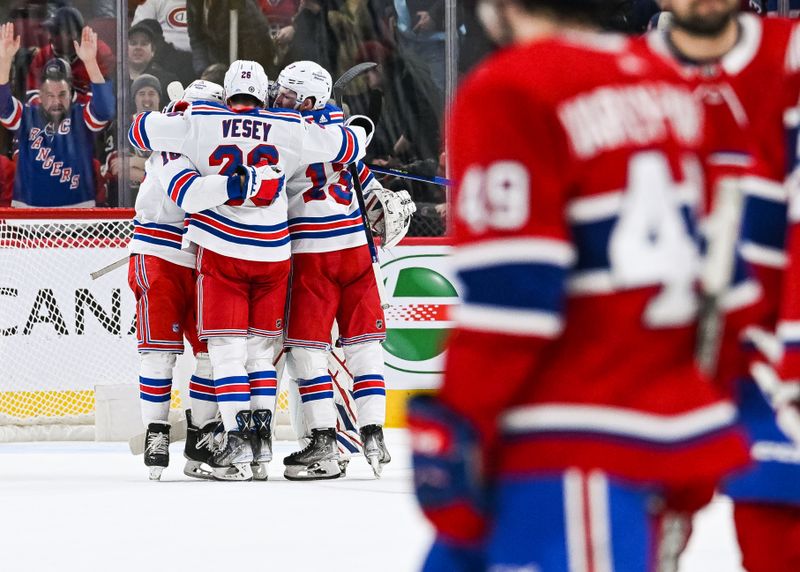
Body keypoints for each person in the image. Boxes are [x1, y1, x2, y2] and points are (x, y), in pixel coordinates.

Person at [406, 0, 751, 570]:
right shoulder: (670, 85)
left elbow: (513, 301)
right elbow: (719, 280)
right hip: (650, 433)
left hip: (562, 442)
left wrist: (458, 423)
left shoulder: (512, 88)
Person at [128, 59, 373, 481]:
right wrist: (355, 128)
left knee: (211, 352)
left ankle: (218, 438)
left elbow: (144, 140)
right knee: (259, 351)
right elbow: (350, 146)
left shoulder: (198, 124)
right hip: (276, 252)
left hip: (212, 250)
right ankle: (258, 447)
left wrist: (184, 126)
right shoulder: (288, 126)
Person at [647, 2, 800, 570]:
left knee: (778, 546)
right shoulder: (629, 74)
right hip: (664, 356)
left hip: (771, 352)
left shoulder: (791, 56)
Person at [274, 60, 415, 479]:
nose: (279, 99)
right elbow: (367, 186)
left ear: (310, 101)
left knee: (306, 349)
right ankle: (374, 432)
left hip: (312, 252)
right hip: (356, 250)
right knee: (364, 347)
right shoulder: (346, 136)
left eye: (288, 94)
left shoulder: (284, 133)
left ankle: (322, 440)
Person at [128, 79, 226, 480]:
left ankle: (200, 437)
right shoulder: (173, 140)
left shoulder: (200, 139)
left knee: (211, 350)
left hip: (203, 255)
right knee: (158, 350)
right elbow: (190, 195)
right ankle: (156, 431)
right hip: (159, 254)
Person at [0, 24, 114, 208]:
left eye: (62, 94)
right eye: (50, 95)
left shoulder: (81, 117)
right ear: (40, 94)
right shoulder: (26, 117)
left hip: (78, 218)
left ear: (71, 93)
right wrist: (4, 61)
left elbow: (105, 109)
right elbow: (2, 104)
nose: (56, 102)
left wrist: (91, 63)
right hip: (28, 219)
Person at [25, 7, 114, 104]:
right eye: (49, 31)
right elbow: (32, 95)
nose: (49, 37)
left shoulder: (99, 53)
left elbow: (105, 101)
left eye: (55, 32)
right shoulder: (44, 55)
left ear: (73, 34)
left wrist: (71, 97)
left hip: (88, 116)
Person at [127, 20, 180, 105]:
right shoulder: (116, 79)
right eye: (133, 43)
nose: (138, 47)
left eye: (144, 43)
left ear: (153, 51)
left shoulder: (168, 82)